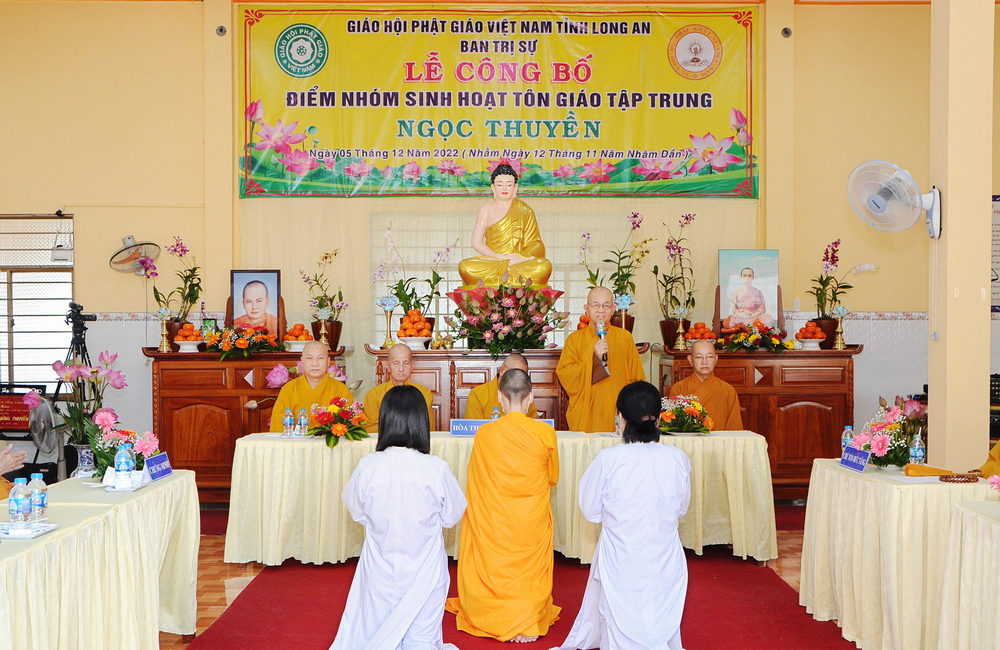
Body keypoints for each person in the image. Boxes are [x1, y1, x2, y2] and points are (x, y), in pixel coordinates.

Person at [555, 381, 692, 650]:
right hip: (665, 559)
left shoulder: (608, 459)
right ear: (659, 419)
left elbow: (591, 511)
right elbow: (682, 509)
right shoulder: (677, 458)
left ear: (621, 418)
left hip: (620, 559)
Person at [330, 385, 467, 650]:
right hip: (425, 570)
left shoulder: (368, 465)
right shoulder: (435, 468)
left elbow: (356, 511)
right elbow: (452, 515)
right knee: (421, 640)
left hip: (379, 570)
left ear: (385, 420)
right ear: (421, 421)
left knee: (375, 636)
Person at [445, 369, 560, 643]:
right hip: (529, 522)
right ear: (531, 397)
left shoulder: (485, 434)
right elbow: (552, 477)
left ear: (499, 397)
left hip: (495, 523)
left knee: (494, 548)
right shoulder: (545, 433)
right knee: (528, 563)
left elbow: (476, 481)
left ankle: (497, 615)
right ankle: (526, 616)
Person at [557, 287, 646, 433]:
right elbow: (566, 376)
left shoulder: (625, 338)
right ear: (586, 309)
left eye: (606, 306)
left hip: (618, 413)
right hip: (587, 413)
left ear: (613, 309)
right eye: (595, 305)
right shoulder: (574, 340)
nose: (601, 310)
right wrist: (593, 357)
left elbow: (637, 379)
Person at [457, 163, 552, 289]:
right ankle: (510, 277)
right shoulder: (486, 210)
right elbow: (476, 242)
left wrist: (519, 256)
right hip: (494, 261)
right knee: (465, 267)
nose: (504, 188)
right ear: (493, 187)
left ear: (515, 187)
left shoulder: (524, 210)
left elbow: (536, 244)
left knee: (544, 266)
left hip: (517, 262)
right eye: (500, 184)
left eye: (509, 184)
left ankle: (503, 276)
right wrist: (496, 256)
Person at [269, 341, 353, 432]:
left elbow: (348, 427)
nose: (315, 363)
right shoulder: (289, 389)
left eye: (320, 358)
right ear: (302, 361)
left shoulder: (340, 390)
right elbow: (278, 429)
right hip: (296, 440)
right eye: (309, 358)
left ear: (328, 361)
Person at [668, 338, 743, 431]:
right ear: (690, 360)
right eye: (699, 357)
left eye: (709, 357)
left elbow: (735, 429)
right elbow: (673, 426)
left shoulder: (728, 390)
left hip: (720, 440)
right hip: (689, 440)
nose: (704, 361)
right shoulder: (679, 388)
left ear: (716, 359)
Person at [362, 344, 434, 433]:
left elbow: (427, 428)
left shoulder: (424, 393)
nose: (401, 369)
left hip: (414, 441)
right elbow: (369, 429)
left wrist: (392, 427)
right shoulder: (374, 395)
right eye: (396, 363)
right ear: (388, 366)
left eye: (406, 363)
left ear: (412, 365)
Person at [465, 352, 539, 420]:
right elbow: (474, 427)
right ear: (502, 370)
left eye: (523, 375)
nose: (518, 379)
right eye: (514, 373)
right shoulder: (478, 394)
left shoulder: (525, 395)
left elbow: (531, 425)